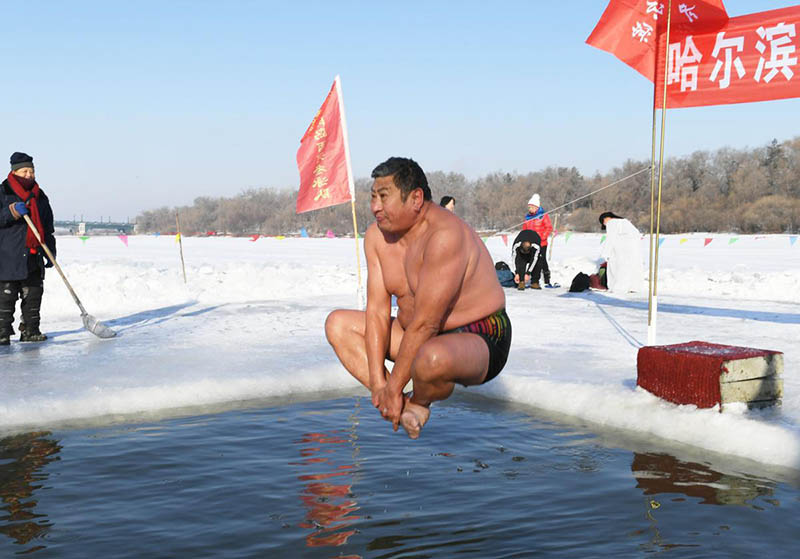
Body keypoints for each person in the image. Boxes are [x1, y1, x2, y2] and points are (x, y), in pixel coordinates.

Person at [325, 157, 511, 439]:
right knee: (338, 325)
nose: (375, 206)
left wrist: (395, 387)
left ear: (415, 198)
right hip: (416, 336)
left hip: (479, 335)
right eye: (373, 197)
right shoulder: (376, 237)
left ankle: (419, 403)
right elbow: (376, 311)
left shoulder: (444, 235)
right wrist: (381, 386)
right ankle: (397, 406)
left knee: (430, 358)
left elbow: (426, 324)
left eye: (384, 197)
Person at [0, 152, 56, 345]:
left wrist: (51, 251)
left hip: (33, 254)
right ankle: (2, 333)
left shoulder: (40, 196)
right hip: (8, 255)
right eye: (25, 171)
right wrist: (11, 211)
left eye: (31, 171)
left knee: (33, 296)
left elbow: (47, 228)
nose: (29, 175)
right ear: (14, 172)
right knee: (5, 299)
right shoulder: (4, 192)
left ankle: (31, 331)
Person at [599, 211, 643, 293]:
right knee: (632, 267)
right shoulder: (625, 222)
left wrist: (606, 253)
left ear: (605, 219)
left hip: (622, 250)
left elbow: (610, 238)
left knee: (619, 267)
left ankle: (618, 288)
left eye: (603, 223)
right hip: (634, 249)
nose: (605, 225)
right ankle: (634, 287)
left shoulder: (612, 223)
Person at [521, 193, 553, 288]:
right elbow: (524, 229)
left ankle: (547, 279)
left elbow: (548, 228)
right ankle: (534, 279)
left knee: (541, 260)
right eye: (529, 207)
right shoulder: (528, 218)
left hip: (541, 243)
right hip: (531, 243)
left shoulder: (543, 216)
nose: (529, 209)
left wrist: (542, 238)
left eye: (531, 207)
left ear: (536, 207)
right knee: (532, 260)